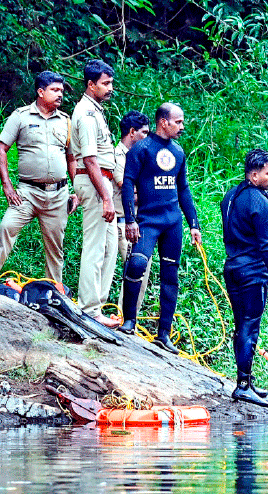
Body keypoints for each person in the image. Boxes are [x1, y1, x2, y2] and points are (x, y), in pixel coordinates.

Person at [0, 71, 79, 289]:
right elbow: (0, 149)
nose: (60, 94)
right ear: (40, 92)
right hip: (27, 192)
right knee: (6, 228)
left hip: (58, 193)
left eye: (61, 90)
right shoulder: (21, 116)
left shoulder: (66, 121)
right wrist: (8, 186)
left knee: (55, 246)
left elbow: (71, 158)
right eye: (54, 90)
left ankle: (53, 289)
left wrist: (76, 189)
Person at [118, 102, 202, 354]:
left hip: (172, 221)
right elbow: (127, 184)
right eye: (178, 122)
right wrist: (131, 220)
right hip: (148, 220)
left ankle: (163, 334)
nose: (182, 127)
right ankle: (129, 321)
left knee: (170, 276)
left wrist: (193, 224)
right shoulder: (141, 149)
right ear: (163, 122)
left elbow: (183, 189)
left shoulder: (178, 151)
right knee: (136, 265)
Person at [220, 149, 268, 407]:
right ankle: (243, 386)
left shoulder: (230, 196)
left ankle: (246, 379)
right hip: (252, 272)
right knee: (250, 328)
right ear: (253, 175)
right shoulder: (260, 202)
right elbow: (266, 245)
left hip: (232, 268)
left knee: (241, 327)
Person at [71, 60, 119, 329]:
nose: (110, 88)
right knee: (95, 246)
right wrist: (107, 197)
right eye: (106, 83)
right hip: (95, 182)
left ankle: (97, 304)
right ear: (91, 85)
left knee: (109, 247)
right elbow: (89, 160)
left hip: (102, 182)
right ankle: (89, 308)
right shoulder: (87, 113)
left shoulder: (96, 111)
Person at [113, 111, 151, 307]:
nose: (147, 137)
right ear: (132, 132)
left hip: (142, 222)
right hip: (121, 222)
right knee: (130, 270)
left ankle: (128, 318)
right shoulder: (117, 156)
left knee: (140, 272)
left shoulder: (144, 156)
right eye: (144, 132)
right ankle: (120, 315)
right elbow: (126, 188)